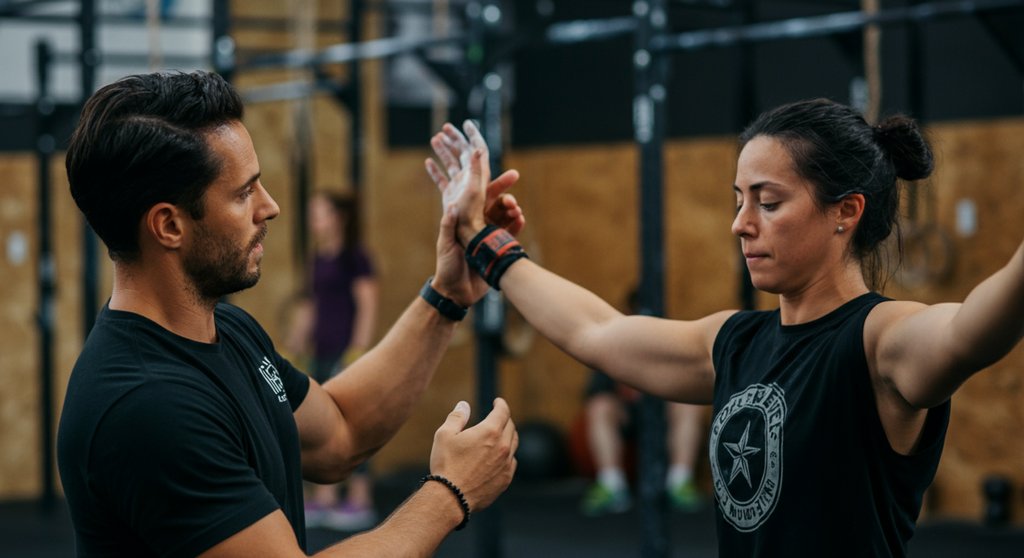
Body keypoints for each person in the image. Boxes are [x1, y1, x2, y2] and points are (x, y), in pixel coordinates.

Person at [425, 101, 1024, 557]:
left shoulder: (881, 340)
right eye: (738, 200)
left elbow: (971, 331)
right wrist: (481, 238)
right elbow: (596, 331)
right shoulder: (735, 342)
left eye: (767, 202)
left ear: (846, 211)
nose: (740, 224)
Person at [56, 70, 526, 558]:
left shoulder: (229, 331)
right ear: (169, 225)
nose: (271, 207)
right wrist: (448, 494)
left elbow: (340, 433)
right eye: (244, 193)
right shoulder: (146, 406)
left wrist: (447, 293)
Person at [578, 289, 705, 517]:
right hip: (629, 416)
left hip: (664, 411)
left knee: (690, 405)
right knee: (600, 406)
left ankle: (679, 482)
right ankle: (611, 484)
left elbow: (690, 383)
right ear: (629, 315)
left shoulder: (673, 343)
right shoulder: (613, 343)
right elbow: (596, 392)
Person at [299, 192, 380, 530]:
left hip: (346, 353)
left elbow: (367, 304)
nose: (313, 220)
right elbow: (313, 306)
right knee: (320, 423)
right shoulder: (319, 258)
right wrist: (298, 340)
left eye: (319, 213)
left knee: (352, 424)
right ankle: (325, 498)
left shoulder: (355, 258)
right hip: (320, 351)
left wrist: (357, 351)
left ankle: (360, 500)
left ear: (338, 217)